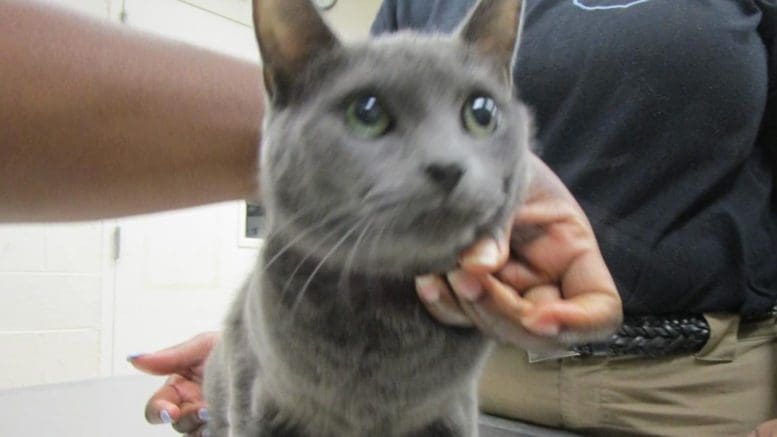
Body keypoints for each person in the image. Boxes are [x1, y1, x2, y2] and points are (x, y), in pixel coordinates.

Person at [135, 0, 777, 436]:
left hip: (698, 399)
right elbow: (351, 174)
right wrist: (271, 350)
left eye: (476, 115)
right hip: (458, 392)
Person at [2, 1, 622, 437]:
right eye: (373, 114)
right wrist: (273, 351)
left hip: (686, 391)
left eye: (481, 113)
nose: (446, 159)